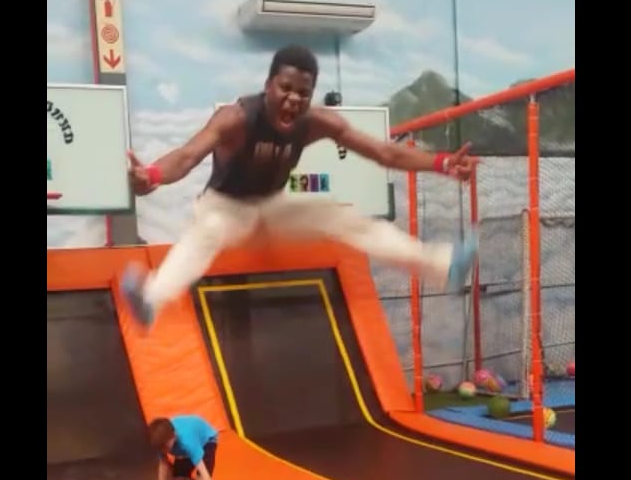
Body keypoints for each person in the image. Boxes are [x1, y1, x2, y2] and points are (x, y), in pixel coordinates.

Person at [120, 44, 479, 328]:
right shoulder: (236, 119)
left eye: (303, 93)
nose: (293, 100)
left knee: (344, 218)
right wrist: (152, 176)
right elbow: (187, 156)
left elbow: (384, 152)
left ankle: (441, 266)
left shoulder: (317, 123)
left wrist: (442, 163)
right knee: (207, 229)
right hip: (226, 208)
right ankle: (151, 299)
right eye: (285, 89)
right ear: (268, 86)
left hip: (272, 208)